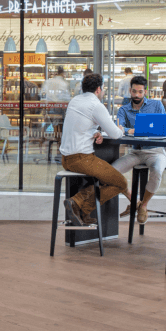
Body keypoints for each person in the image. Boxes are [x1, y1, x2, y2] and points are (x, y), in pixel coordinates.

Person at [59, 73, 127, 226]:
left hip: (66, 159)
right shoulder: (96, 105)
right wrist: (121, 128)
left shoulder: (75, 101)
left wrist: (93, 132)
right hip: (81, 159)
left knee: (106, 178)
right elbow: (115, 134)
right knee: (120, 182)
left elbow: (79, 125)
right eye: (103, 89)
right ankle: (77, 203)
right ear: (98, 89)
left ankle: (82, 211)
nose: (103, 92)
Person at [114, 75, 166, 225]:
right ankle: (135, 201)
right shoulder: (124, 110)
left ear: (145, 91)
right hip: (136, 152)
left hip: (156, 151)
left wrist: (134, 130)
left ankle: (143, 205)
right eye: (134, 92)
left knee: (157, 171)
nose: (137, 95)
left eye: (140, 92)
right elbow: (117, 128)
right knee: (111, 171)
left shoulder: (156, 105)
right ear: (130, 91)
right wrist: (131, 130)